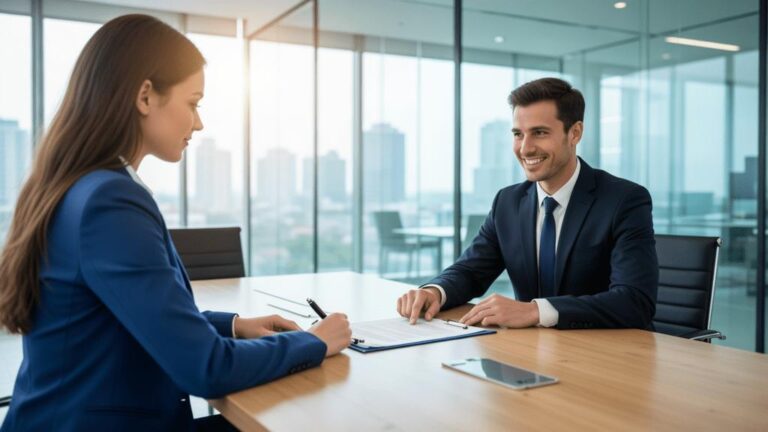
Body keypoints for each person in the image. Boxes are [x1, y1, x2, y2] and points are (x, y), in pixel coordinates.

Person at [0, 14, 351, 431]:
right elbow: (205, 368)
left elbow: (128, 316)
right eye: (193, 103)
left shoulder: (78, 186)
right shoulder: (109, 201)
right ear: (145, 96)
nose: (198, 123)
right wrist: (313, 341)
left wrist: (234, 326)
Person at [397, 77, 658, 330]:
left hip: (608, 355)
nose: (525, 148)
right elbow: (470, 271)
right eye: (518, 134)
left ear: (575, 133)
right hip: (530, 352)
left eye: (540, 133)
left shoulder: (623, 200)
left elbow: (634, 301)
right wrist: (435, 291)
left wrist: (535, 311)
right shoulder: (507, 202)